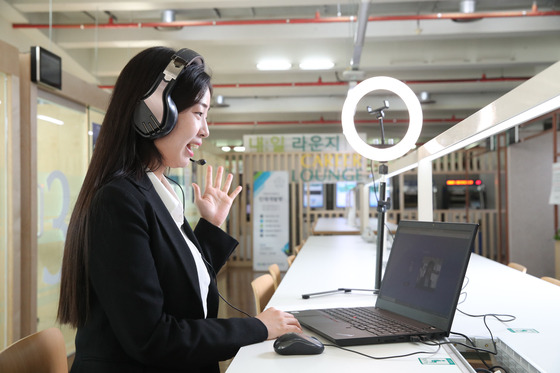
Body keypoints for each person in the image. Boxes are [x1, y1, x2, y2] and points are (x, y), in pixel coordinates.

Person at [57, 46, 301, 373]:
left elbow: (177, 287)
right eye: (199, 113)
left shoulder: (156, 191)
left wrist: (211, 225)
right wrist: (258, 327)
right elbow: (153, 338)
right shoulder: (119, 200)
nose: (205, 130)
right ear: (155, 114)